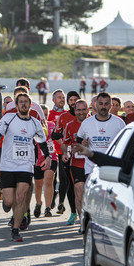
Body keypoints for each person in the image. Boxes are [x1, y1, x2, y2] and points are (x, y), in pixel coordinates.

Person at [0, 92, 51, 242]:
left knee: (21, 198)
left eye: (26, 102)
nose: (23, 104)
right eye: (20, 102)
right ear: (16, 105)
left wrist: (47, 157)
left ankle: (15, 229)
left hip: (25, 164)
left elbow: (42, 142)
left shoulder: (35, 123)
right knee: (9, 201)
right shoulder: (9, 119)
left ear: (30, 105)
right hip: (8, 165)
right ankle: (6, 201)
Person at [50, 90, 80, 218]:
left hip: (82, 157)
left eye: (75, 100)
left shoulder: (88, 117)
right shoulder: (63, 117)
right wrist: (61, 139)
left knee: (78, 184)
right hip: (63, 153)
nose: (73, 103)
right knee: (65, 180)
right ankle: (69, 208)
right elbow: (53, 134)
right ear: (68, 102)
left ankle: (80, 213)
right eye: (71, 100)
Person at [62, 99, 90, 223]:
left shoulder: (93, 122)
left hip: (92, 164)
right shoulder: (70, 125)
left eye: (84, 109)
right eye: (78, 110)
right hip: (76, 164)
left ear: (88, 110)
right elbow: (65, 143)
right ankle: (82, 222)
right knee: (79, 192)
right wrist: (64, 153)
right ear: (74, 110)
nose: (81, 112)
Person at [33, 104, 58, 218]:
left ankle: (48, 208)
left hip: (51, 157)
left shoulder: (52, 125)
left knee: (49, 180)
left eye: (46, 115)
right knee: (38, 184)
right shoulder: (33, 126)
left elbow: (59, 138)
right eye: (42, 115)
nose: (44, 118)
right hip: (37, 158)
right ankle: (38, 203)